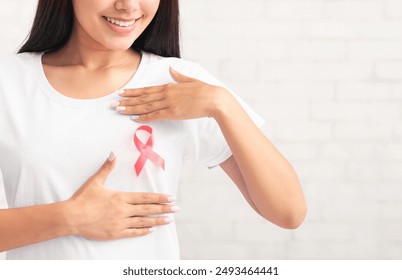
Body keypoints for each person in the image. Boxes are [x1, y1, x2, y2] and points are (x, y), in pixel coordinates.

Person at [0, 0, 306, 259]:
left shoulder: (178, 82)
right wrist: (70, 218)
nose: (128, 6)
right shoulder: (10, 82)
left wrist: (222, 104)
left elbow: (288, 212)